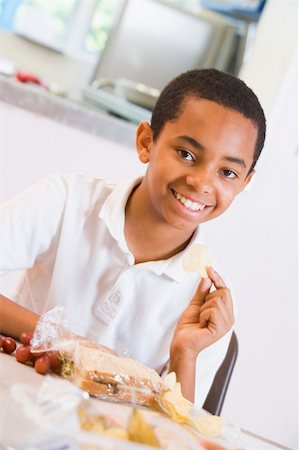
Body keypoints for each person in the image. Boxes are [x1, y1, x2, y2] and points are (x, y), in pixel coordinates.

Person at [0, 69, 266, 407]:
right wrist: (68, 344)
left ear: (244, 183)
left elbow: (177, 435)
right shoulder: (66, 200)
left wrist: (184, 353)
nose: (201, 183)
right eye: (186, 154)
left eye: (227, 172)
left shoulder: (209, 297)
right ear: (146, 143)